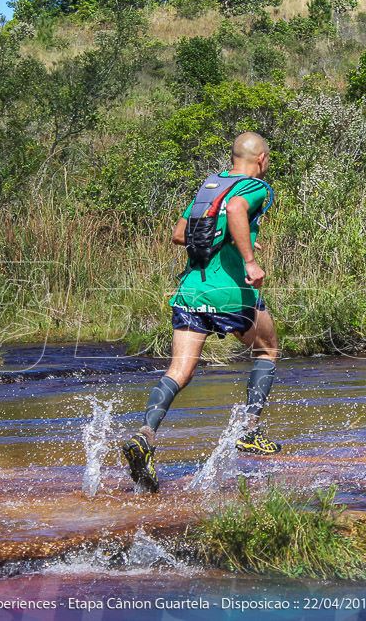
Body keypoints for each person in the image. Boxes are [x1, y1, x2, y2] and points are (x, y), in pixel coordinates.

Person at [122, 131, 280, 493]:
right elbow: (238, 210)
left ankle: (145, 435)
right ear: (261, 159)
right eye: (267, 159)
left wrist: (221, 235)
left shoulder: (210, 188)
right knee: (268, 349)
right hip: (231, 292)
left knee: (179, 370)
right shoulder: (256, 188)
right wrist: (250, 261)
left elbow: (180, 234)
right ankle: (249, 432)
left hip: (192, 290)